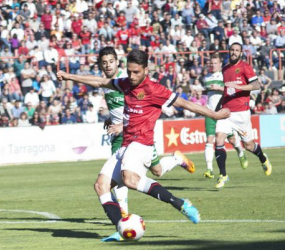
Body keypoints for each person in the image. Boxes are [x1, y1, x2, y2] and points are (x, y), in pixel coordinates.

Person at [57, 49, 230, 242]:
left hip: (143, 144)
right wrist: (69, 76)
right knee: (101, 185)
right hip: (126, 145)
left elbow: (184, 103)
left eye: (136, 72)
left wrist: (214, 115)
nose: (131, 76)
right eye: (129, 71)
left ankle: (179, 203)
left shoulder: (155, 90)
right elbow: (99, 81)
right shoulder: (125, 84)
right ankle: (121, 229)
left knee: (129, 179)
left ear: (145, 70)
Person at [98, 47, 198, 242]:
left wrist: (121, 124)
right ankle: (122, 226)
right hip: (123, 136)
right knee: (152, 172)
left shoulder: (126, 80)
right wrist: (113, 119)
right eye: (104, 62)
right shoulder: (110, 84)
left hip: (138, 136)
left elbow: (139, 107)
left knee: (129, 178)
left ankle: (127, 221)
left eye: (111, 61)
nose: (107, 65)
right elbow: (125, 106)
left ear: (118, 63)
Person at [214, 43, 273, 189]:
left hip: (241, 114)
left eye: (237, 50)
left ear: (241, 53)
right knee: (219, 138)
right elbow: (227, 91)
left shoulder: (245, 67)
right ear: (229, 51)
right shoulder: (225, 68)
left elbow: (257, 85)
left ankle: (263, 158)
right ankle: (223, 175)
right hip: (226, 111)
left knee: (248, 145)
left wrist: (241, 87)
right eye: (232, 50)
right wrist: (218, 108)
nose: (234, 52)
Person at [203, 54, 248, 179]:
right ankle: (209, 169)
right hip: (210, 112)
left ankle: (240, 152)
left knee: (232, 140)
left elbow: (231, 90)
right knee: (210, 140)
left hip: (223, 113)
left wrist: (220, 87)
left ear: (220, 64)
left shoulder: (224, 76)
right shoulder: (206, 77)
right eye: (211, 63)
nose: (212, 65)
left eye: (215, 63)